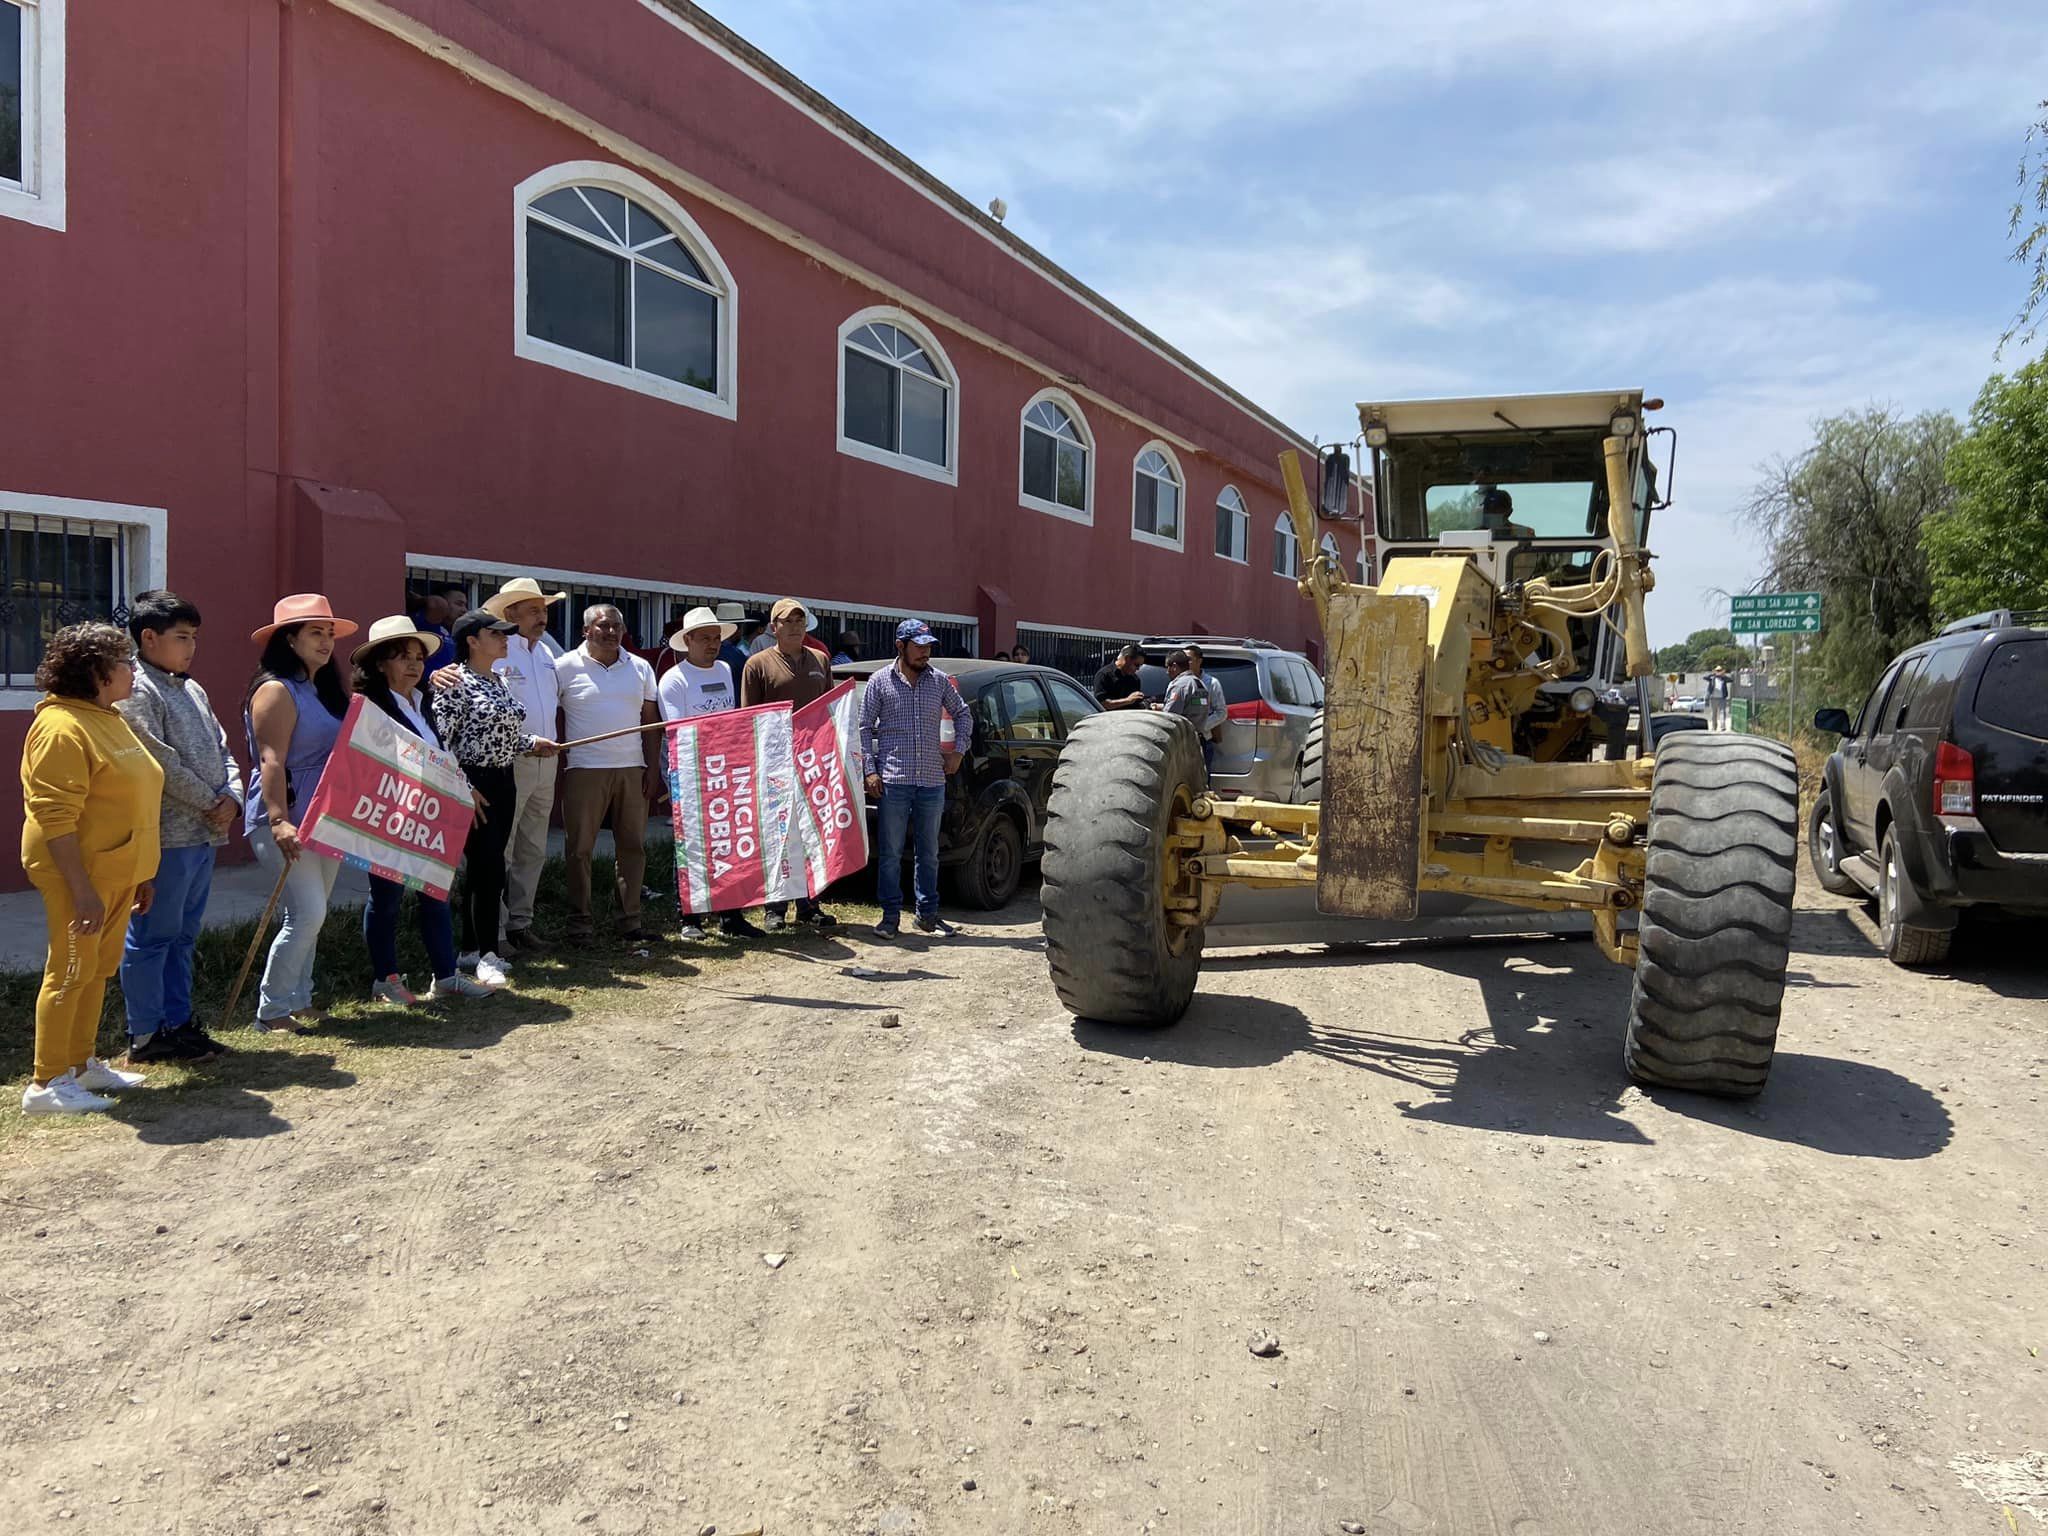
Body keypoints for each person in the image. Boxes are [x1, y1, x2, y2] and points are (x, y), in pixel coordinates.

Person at [19, 624, 160, 1114]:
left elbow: (132, 794)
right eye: (126, 662)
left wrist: (141, 871)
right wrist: (81, 892)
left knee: (97, 969)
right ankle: (46, 1082)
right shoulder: (60, 726)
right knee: (71, 970)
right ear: (99, 672)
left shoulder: (107, 717)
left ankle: (80, 1065)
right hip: (77, 873)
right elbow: (54, 817)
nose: (133, 671)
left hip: (117, 869)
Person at [116, 591, 242, 1065]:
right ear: (148, 638)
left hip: (206, 832)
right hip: (168, 835)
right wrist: (209, 800)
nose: (191, 648)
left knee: (184, 936)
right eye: (181, 637)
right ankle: (147, 1034)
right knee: (152, 935)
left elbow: (222, 744)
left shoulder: (191, 687)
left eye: (195, 638)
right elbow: (156, 760)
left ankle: (180, 1021)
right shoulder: (135, 688)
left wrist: (231, 795)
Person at [348, 616, 497, 1004]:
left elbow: (438, 753)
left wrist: (463, 787)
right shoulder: (368, 707)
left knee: (436, 893)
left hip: (428, 813)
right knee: (387, 897)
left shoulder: (422, 701)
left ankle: (446, 977)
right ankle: (386, 978)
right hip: (390, 813)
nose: (414, 665)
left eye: (418, 657)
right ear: (380, 663)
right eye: (402, 657)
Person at [243, 594, 354, 1033]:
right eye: (315, 633)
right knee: (307, 914)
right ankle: (271, 1011)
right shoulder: (275, 689)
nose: (326, 642)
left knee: (314, 913)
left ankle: (299, 1000)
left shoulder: (323, 690)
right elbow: (271, 760)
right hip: (287, 816)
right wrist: (277, 819)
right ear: (288, 640)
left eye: (329, 634)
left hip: (327, 816)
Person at [435, 608, 562, 987]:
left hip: (504, 779)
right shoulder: (454, 682)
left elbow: (501, 734)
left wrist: (530, 743)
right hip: (474, 783)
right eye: (496, 634)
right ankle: (486, 953)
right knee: (487, 868)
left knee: (488, 870)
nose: (505, 639)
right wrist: (462, 786)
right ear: (472, 641)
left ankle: (474, 949)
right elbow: (442, 743)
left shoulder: (498, 679)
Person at [859, 618, 973, 941]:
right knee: (892, 852)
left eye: (928, 647)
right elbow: (864, 727)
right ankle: (890, 917)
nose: (925, 653)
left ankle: (928, 915)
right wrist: (870, 769)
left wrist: (959, 752)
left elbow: (963, 713)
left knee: (929, 852)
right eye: (919, 647)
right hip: (893, 779)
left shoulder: (938, 682)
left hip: (931, 780)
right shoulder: (880, 682)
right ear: (900, 646)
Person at [555, 603, 660, 944]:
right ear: (586, 630)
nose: (612, 632)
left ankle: (630, 922)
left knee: (632, 847)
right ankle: (579, 925)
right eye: (603, 626)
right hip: (585, 768)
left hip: (632, 769)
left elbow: (651, 722)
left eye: (617, 626)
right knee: (579, 849)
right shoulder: (564, 667)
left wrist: (652, 767)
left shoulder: (640, 667)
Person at [658, 606, 760, 941]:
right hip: (689, 768)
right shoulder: (674, 679)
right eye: (705, 638)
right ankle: (689, 916)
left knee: (726, 840)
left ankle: (730, 914)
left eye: (717, 638)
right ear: (687, 641)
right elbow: (678, 729)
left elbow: (731, 717)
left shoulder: (725, 670)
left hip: (723, 767)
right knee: (690, 844)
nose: (713, 644)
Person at [742, 598, 839, 933]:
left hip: (811, 760)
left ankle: (809, 904)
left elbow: (828, 711)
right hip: (775, 762)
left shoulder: (821, 660)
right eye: (788, 621)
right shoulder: (757, 664)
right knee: (778, 836)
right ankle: (774, 908)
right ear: (774, 627)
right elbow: (749, 719)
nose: (796, 627)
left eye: (800, 621)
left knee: (812, 832)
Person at [480, 577, 566, 955]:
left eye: (543, 609)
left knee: (533, 848)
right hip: (510, 762)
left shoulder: (547, 652)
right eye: (533, 610)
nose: (541, 616)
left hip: (547, 762)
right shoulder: (497, 650)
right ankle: (494, 930)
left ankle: (521, 924)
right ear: (510, 613)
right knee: (504, 847)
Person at [410, 590, 457, 674]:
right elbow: (438, 604)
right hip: (426, 682)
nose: (464, 609)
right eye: (459, 604)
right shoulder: (426, 625)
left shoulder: (450, 631)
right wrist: (419, 600)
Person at [1092, 643, 1150, 710]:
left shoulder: (1135, 679)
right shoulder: (1104, 675)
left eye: (1140, 666)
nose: (1138, 669)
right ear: (1127, 658)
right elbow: (1102, 704)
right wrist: (1128, 700)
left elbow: (1135, 706)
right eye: (1136, 665)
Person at [1705, 667, 1732, 732]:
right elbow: (1705, 677)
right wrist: (1713, 674)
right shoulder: (1712, 678)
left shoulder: (1723, 678)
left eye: (1720, 670)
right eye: (1717, 670)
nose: (1718, 671)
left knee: (1722, 712)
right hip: (1713, 698)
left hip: (1722, 698)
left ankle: (1723, 727)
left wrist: (1723, 675)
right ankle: (1714, 727)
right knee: (1713, 713)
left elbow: (1731, 680)